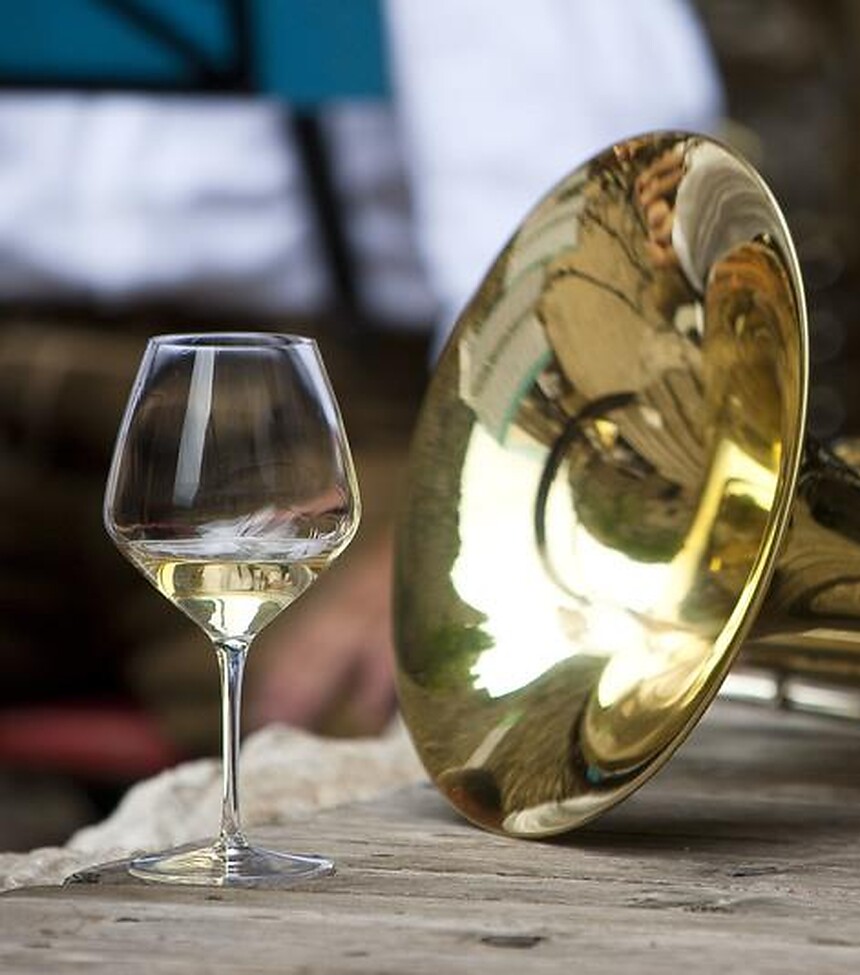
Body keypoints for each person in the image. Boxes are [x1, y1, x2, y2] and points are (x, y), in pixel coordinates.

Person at [0, 0, 723, 754]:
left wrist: (455, 532)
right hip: (17, 377)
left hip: (297, 409)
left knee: (409, 706)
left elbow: (572, 262)